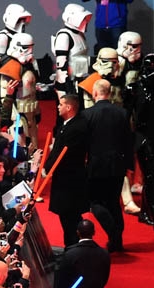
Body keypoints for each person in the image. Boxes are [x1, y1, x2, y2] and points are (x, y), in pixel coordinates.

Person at [82, 79, 135, 253]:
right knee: (113, 202)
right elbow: (128, 141)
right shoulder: (122, 113)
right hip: (118, 165)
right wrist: (130, 164)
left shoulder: (87, 114)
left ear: (95, 93)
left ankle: (113, 234)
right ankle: (117, 241)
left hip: (96, 165)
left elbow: (84, 143)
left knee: (95, 202)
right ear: (110, 93)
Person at [44, 94, 91, 247]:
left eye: (61, 104)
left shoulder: (76, 127)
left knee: (70, 217)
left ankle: (73, 247)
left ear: (69, 107)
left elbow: (64, 154)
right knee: (68, 217)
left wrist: (48, 168)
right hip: (66, 179)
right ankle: (73, 246)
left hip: (69, 181)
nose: (58, 107)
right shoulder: (69, 125)